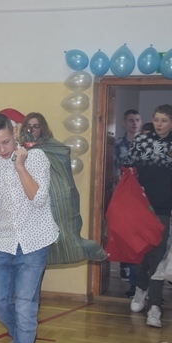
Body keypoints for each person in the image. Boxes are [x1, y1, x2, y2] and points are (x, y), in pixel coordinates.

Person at [0, 112, 58, 343]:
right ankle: (24, 338)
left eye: (5, 142)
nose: (2, 149)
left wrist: (20, 166)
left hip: (35, 243)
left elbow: (38, 198)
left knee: (25, 306)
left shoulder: (37, 158)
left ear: (14, 132)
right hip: (3, 243)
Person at [124, 104, 172, 328]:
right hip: (140, 207)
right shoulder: (141, 141)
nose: (159, 124)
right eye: (156, 120)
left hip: (162, 208)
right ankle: (140, 288)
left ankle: (155, 306)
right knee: (141, 252)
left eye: (164, 121)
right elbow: (128, 166)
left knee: (158, 256)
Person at [19, 112, 107, 266]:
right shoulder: (18, 148)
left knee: (58, 237)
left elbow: (62, 161)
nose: (31, 130)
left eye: (36, 126)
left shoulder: (52, 147)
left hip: (50, 198)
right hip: (26, 201)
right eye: (28, 126)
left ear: (42, 129)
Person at [114, 109, 142, 297]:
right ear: (124, 123)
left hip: (143, 196)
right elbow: (112, 169)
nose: (134, 123)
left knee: (140, 238)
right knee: (125, 235)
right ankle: (129, 273)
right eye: (131, 120)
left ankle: (140, 282)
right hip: (123, 195)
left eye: (137, 120)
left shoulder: (146, 144)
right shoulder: (117, 145)